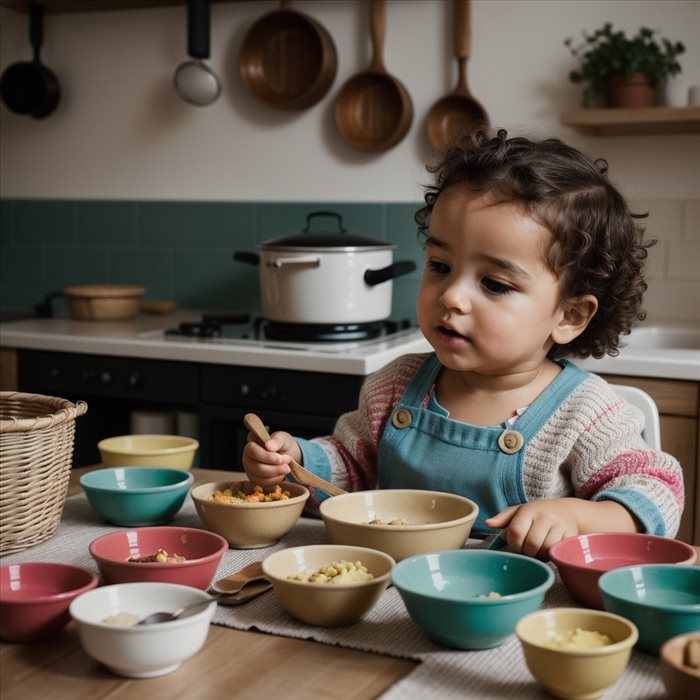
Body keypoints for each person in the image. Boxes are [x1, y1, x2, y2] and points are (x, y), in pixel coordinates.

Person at [242, 129, 684, 559]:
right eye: (440, 266)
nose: (451, 295)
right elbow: (349, 470)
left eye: (493, 283)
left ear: (568, 316)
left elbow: (658, 492)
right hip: (385, 599)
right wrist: (297, 461)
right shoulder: (394, 386)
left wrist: (578, 517)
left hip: (511, 614)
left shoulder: (587, 414)